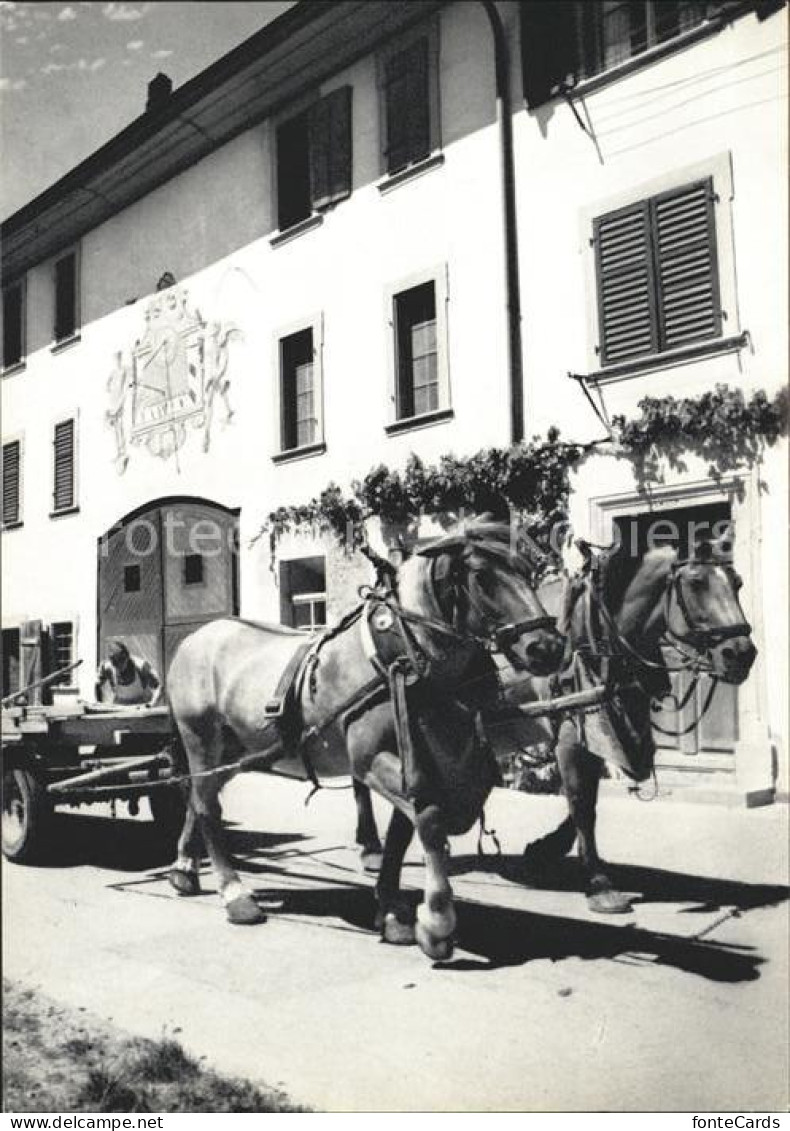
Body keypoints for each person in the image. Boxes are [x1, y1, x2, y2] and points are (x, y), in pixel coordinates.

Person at [96, 640, 163, 706]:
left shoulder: (141, 666)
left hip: (142, 703)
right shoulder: (107, 668)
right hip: (121, 705)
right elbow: (97, 684)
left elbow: (159, 686)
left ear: (127, 657)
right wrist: (99, 704)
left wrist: (152, 704)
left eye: (121, 662)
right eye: (115, 664)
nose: (119, 667)